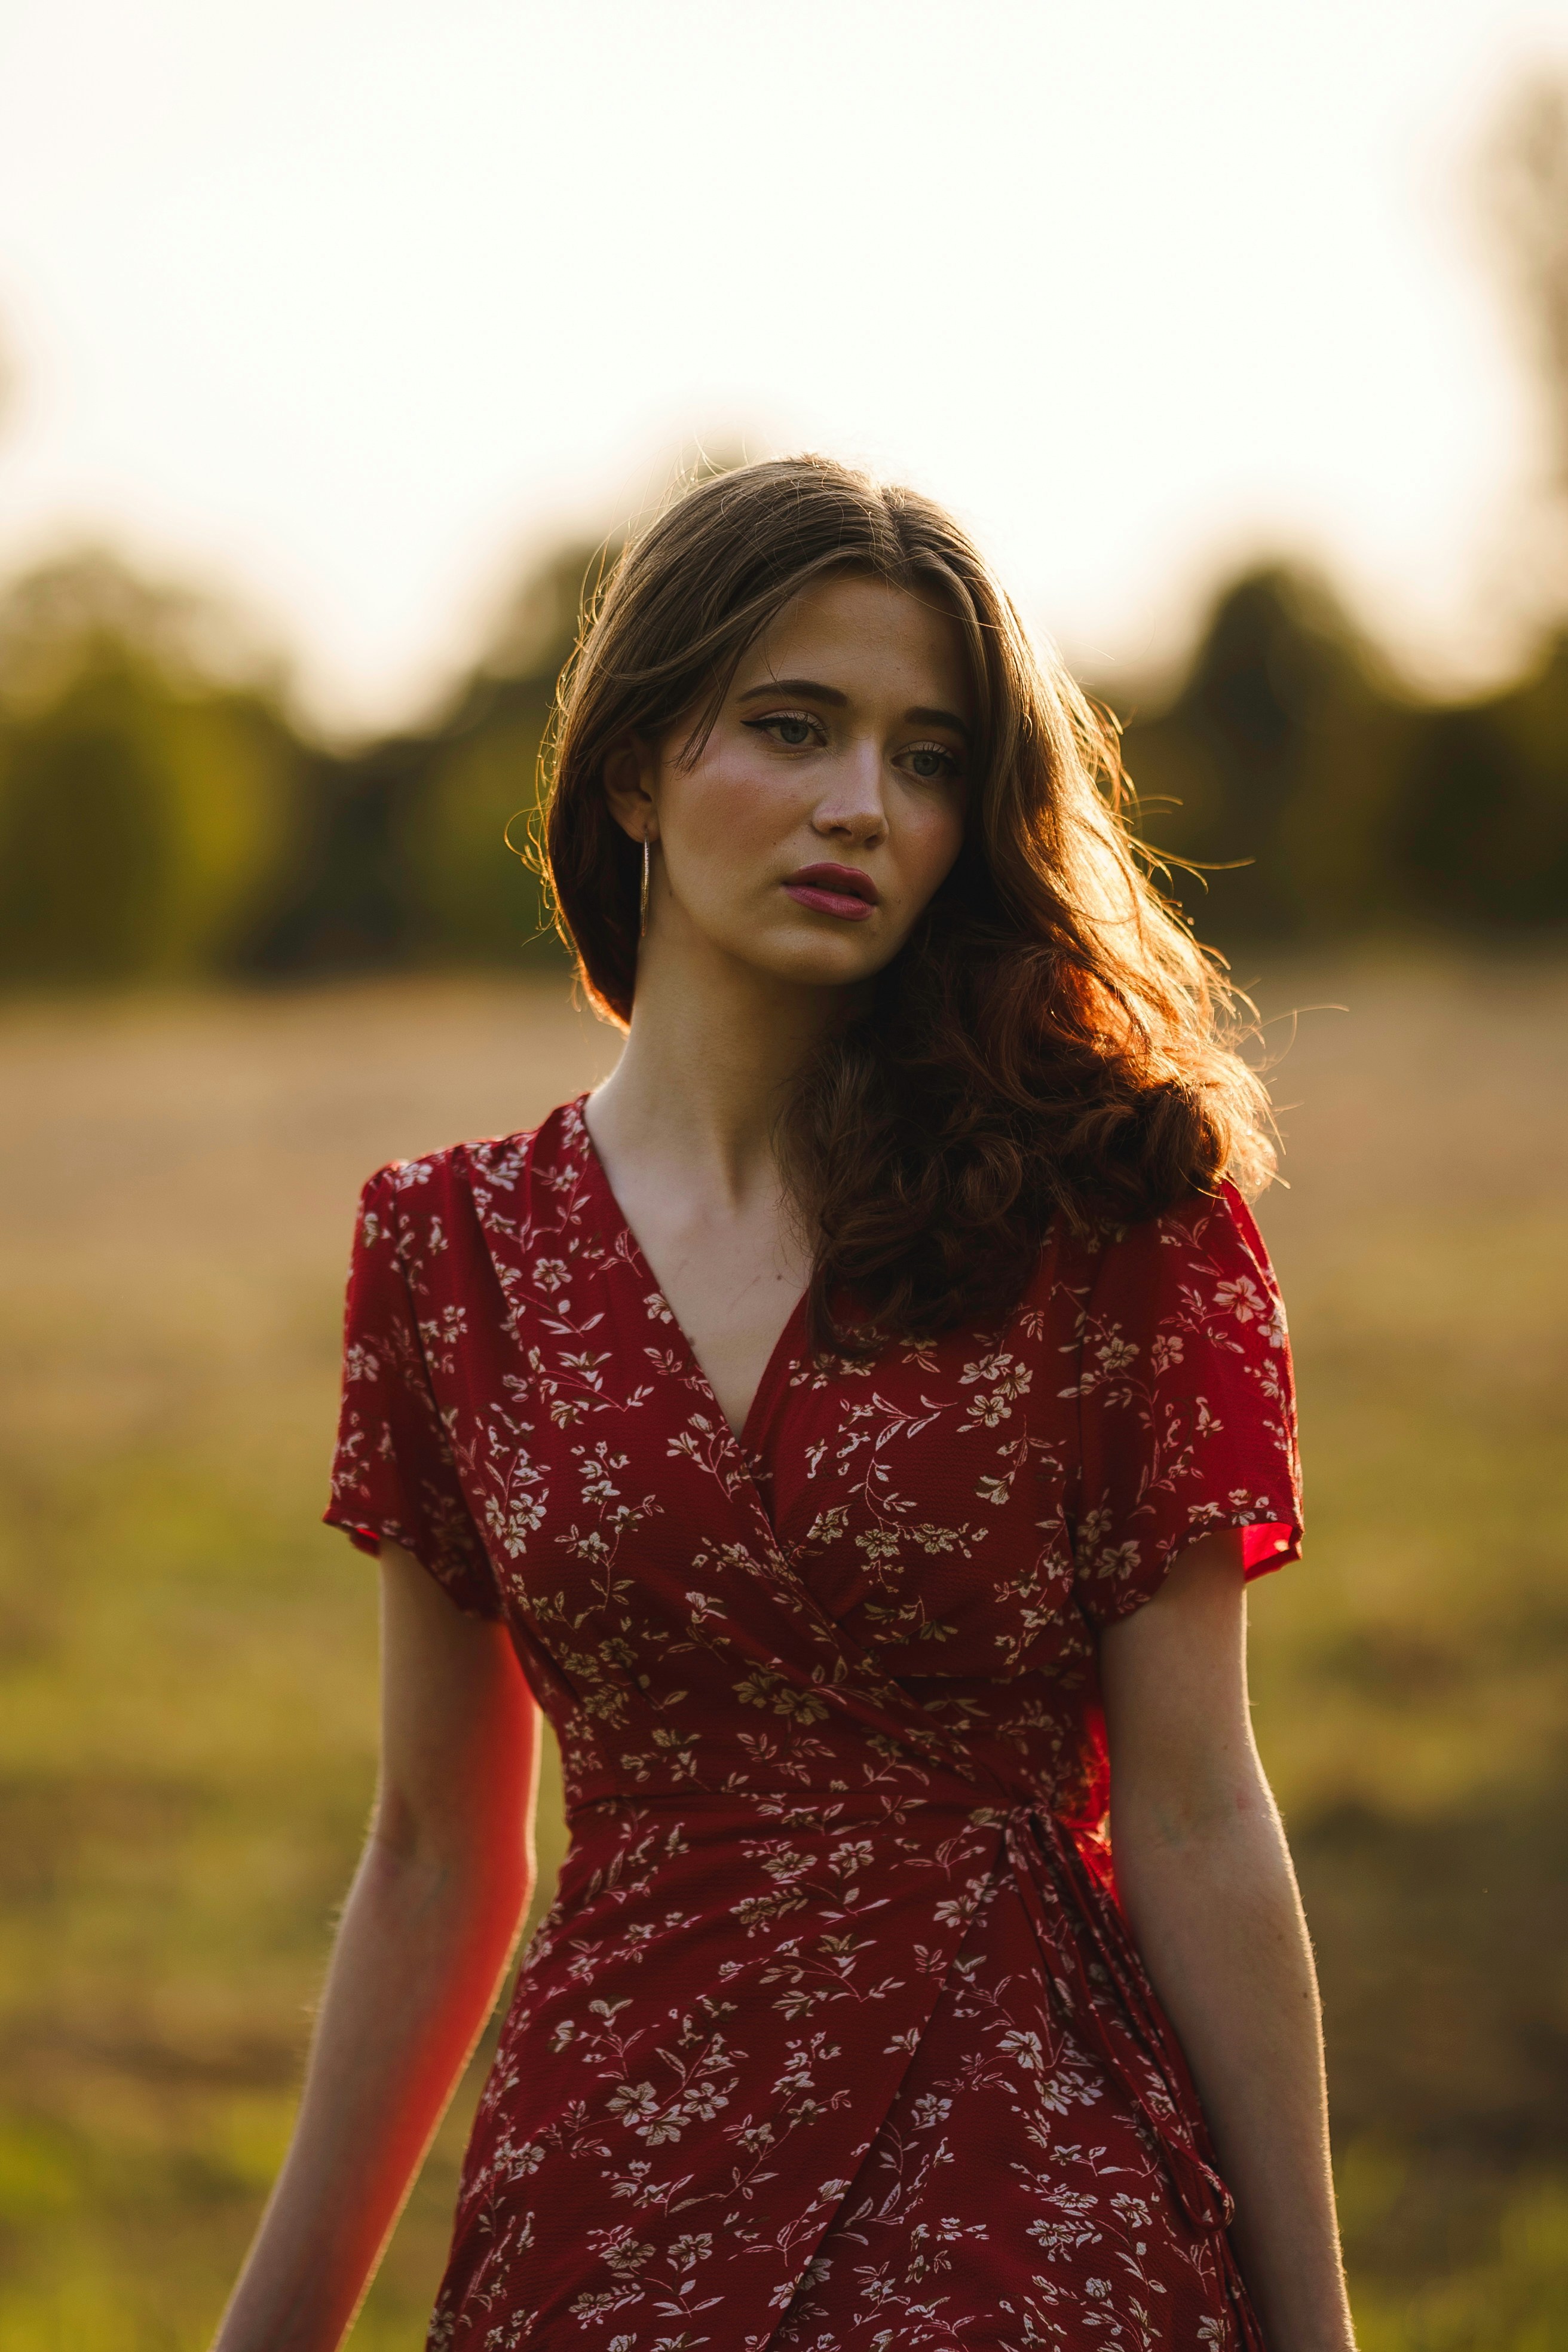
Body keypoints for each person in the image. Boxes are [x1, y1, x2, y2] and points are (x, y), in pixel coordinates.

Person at [213, 456, 1356, 2352]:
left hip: (1025, 2177)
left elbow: (1197, 1804)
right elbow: (435, 1848)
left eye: (925, 758)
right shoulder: (453, 1254)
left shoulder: (1109, 1212)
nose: (862, 807)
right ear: (636, 770)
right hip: (612, 2185)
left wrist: (1311, 2331)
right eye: (795, 726)